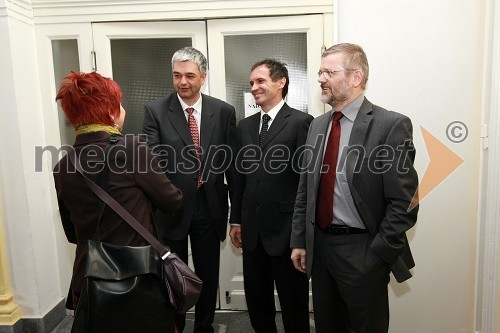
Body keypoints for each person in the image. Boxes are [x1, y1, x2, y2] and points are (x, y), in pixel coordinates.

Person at [290, 43, 419, 333]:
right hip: (320, 250)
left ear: (355, 78)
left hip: (363, 251)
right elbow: (306, 190)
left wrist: (377, 254)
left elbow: (405, 202)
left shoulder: (390, 125)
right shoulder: (318, 125)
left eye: (328, 72)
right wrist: (300, 239)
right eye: (320, 72)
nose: (320, 78)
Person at [53, 71, 183, 331]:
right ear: (111, 112)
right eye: (119, 104)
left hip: (90, 279)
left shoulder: (63, 165)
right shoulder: (132, 148)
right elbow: (172, 201)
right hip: (138, 278)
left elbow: (71, 233)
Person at [142, 46, 237, 333]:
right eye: (177, 75)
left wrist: (238, 214)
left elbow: (231, 165)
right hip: (172, 209)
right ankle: (176, 327)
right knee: (173, 276)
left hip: (210, 208)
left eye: (190, 76)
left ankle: (204, 326)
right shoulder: (156, 111)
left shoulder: (223, 111)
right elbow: (151, 163)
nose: (183, 82)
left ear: (203, 77)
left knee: (207, 274)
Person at [229, 59, 313, 333]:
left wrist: (300, 233)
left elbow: (306, 181)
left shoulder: (302, 122)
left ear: (281, 82)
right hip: (252, 232)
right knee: (257, 302)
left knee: (293, 305)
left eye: (260, 81)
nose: (254, 87)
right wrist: (236, 220)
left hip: (287, 232)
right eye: (251, 83)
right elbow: (239, 177)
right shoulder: (245, 126)